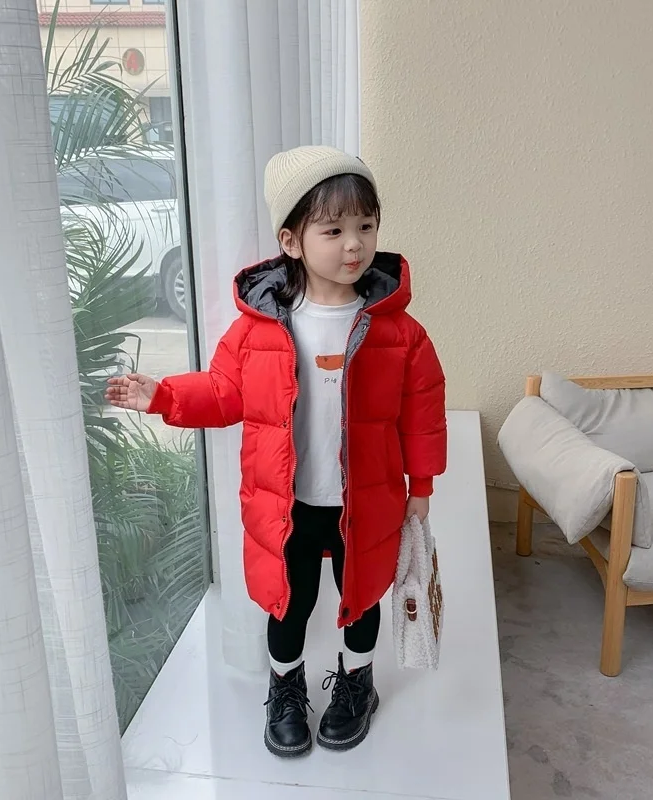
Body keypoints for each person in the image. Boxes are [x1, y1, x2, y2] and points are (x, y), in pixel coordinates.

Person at [105, 146, 447, 757]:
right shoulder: (259, 328)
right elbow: (223, 392)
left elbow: (422, 413)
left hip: (367, 504)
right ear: (291, 241)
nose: (354, 244)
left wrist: (420, 488)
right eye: (333, 230)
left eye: (366, 226)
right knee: (290, 603)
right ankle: (285, 687)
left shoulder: (400, 332)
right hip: (286, 505)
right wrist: (162, 395)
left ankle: (358, 684)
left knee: (361, 598)